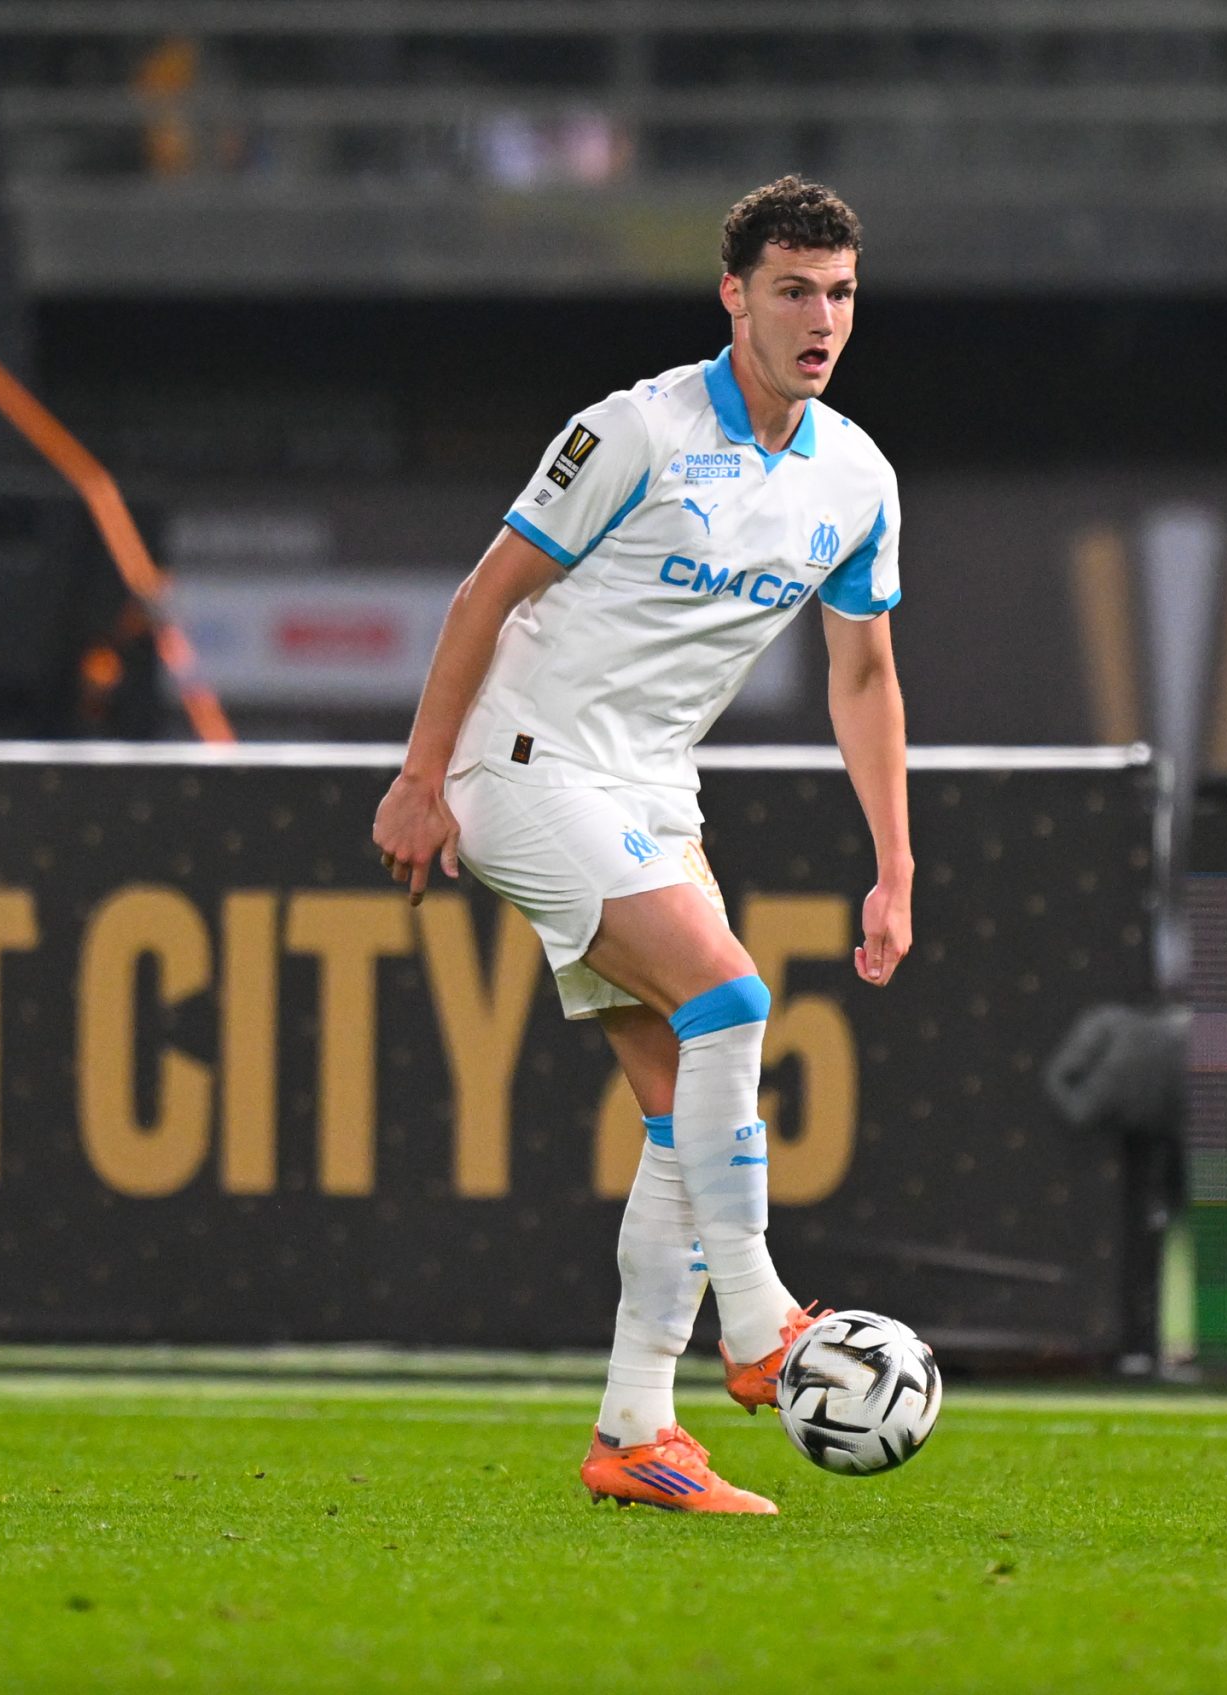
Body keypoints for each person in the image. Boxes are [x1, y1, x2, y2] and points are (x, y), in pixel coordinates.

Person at [371, 176, 910, 1516]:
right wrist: (421, 778)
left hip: (653, 790)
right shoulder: (635, 430)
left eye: (841, 293)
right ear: (734, 295)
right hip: (526, 762)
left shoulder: (856, 478)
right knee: (731, 999)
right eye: (793, 290)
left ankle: (635, 1431)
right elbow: (487, 594)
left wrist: (895, 864)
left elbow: (863, 676)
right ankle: (763, 1322)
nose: (821, 318)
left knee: (680, 1113)